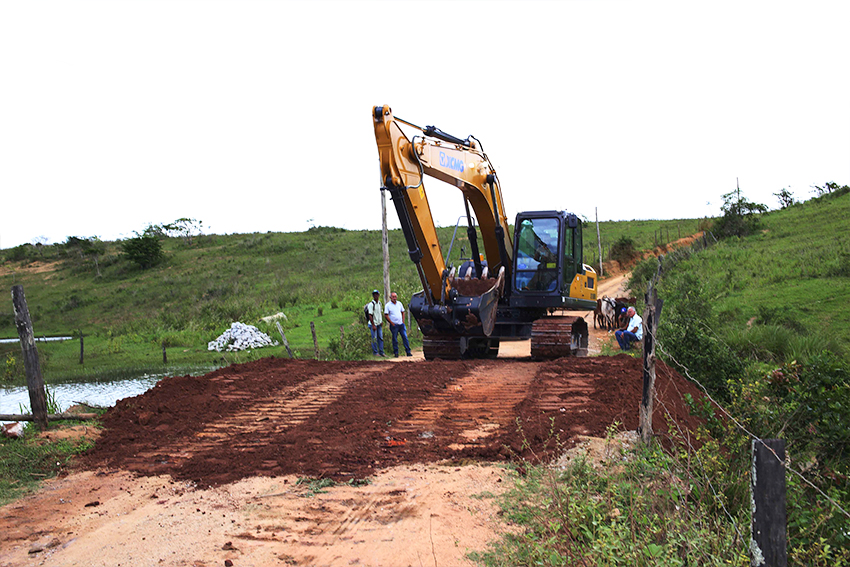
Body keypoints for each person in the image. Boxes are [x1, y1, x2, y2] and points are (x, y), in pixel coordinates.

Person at [384, 292, 412, 357]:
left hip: (401, 324)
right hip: (394, 325)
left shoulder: (399, 304)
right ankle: (396, 353)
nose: (394, 298)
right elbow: (386, 315)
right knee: (395, 339)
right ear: (390, 297)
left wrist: (403, 321)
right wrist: (391, 323)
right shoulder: (388, 305)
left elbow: (403, 312)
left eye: (395, 297)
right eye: (393, 297)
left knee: (405, 337)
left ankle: (408, 352)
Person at [366, 289, 385, 357]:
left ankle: (381, 352)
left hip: (379, 323)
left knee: (380, 338)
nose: (376, 296)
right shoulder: (371, 304)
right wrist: (373, 325)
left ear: (378, 295)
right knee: (374, 338)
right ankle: (375, 352)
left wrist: (381, 321)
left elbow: (380, 313)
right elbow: (370, 315)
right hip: (373, 324)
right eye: (374, 295)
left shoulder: (379, 303)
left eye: (377, 294)